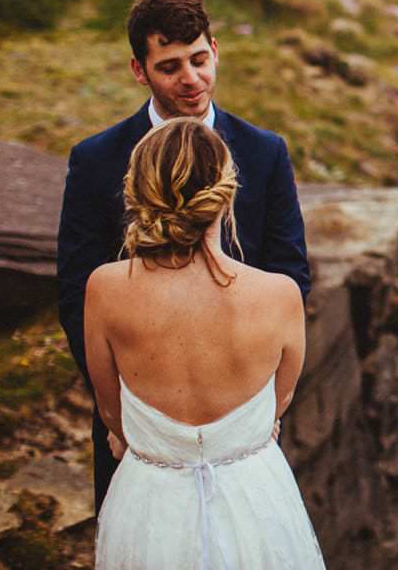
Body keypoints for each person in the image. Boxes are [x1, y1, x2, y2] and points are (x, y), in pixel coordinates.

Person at [56, 0, 310, 511]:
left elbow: (291, 273)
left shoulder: (265, 152)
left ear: (215, 49)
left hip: (242, 425)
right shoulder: (96, 160)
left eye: (199, 59)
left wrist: (255, 409)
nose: (191, 78)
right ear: (139, 70)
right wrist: (122, 415)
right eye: (170, 66)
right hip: (139, 426)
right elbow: (76, 293)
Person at [86, 117, 323, 567]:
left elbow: (110, 407)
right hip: (255, 497)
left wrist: (131, 438)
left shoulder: (104, 289)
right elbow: (281, 398)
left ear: (137, 190)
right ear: (226, 193)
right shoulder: (280, 295)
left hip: (148, 503)